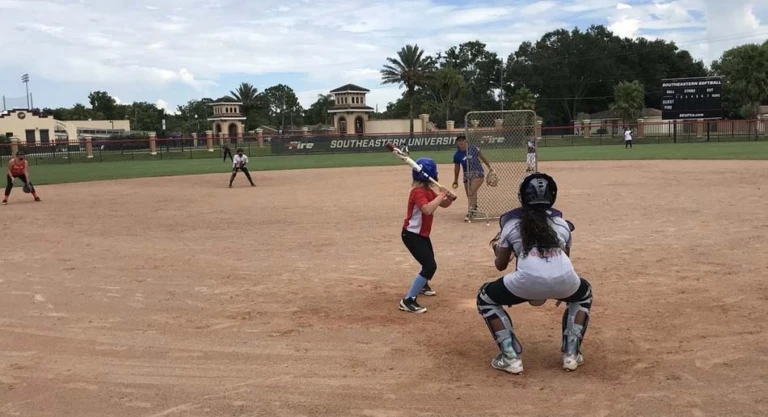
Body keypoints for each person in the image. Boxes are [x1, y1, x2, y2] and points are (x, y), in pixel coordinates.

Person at [476, 172, 592, 374]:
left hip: (525, 282)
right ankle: (572, 354)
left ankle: (510, 357)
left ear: (523, 197)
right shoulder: (562, 224)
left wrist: (500, 251)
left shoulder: (512, 224)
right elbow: (562, 260)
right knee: (584, 294)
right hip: (565, 279)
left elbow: (500, 266)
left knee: (485, 297)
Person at [399, 157, 455, 313]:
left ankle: (422, 284)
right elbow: (427, 209)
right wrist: (440, 194)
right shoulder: (417, 192)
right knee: (430, 266)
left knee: (428, 264)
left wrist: (447, 198)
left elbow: (442, 204)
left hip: (421, 235)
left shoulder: (427, 191)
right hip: (411, 235)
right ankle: (408, 300)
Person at [452, 135, 493, 222]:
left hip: (478, 173)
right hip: (467, 175)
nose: (461, 142)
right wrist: (455, 180)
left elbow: (482, 157)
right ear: (457, 143)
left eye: (463, 140)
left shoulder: (473, 148)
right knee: (470, 194)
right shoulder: (457, 155)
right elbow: (457, 168)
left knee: (471, 191)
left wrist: (490, 167)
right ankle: (474, 208)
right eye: (459, 141)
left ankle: (471, 212)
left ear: (466, 141)